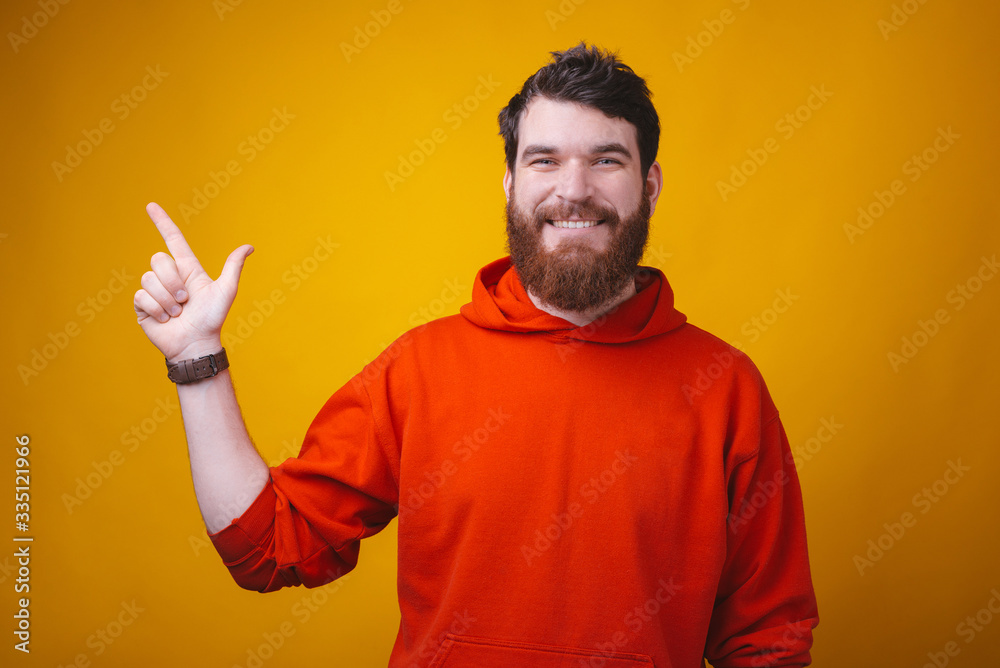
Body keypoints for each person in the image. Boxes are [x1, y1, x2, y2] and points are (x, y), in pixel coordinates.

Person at [134, 42, 818, 668]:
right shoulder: (418, 370)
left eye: (606, 160)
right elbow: (268, 548)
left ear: (651, 185)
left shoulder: (725, 387)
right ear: (510, 184)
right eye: (544, 160)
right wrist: (197, 358)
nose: (573, 189)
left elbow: (768, 641)